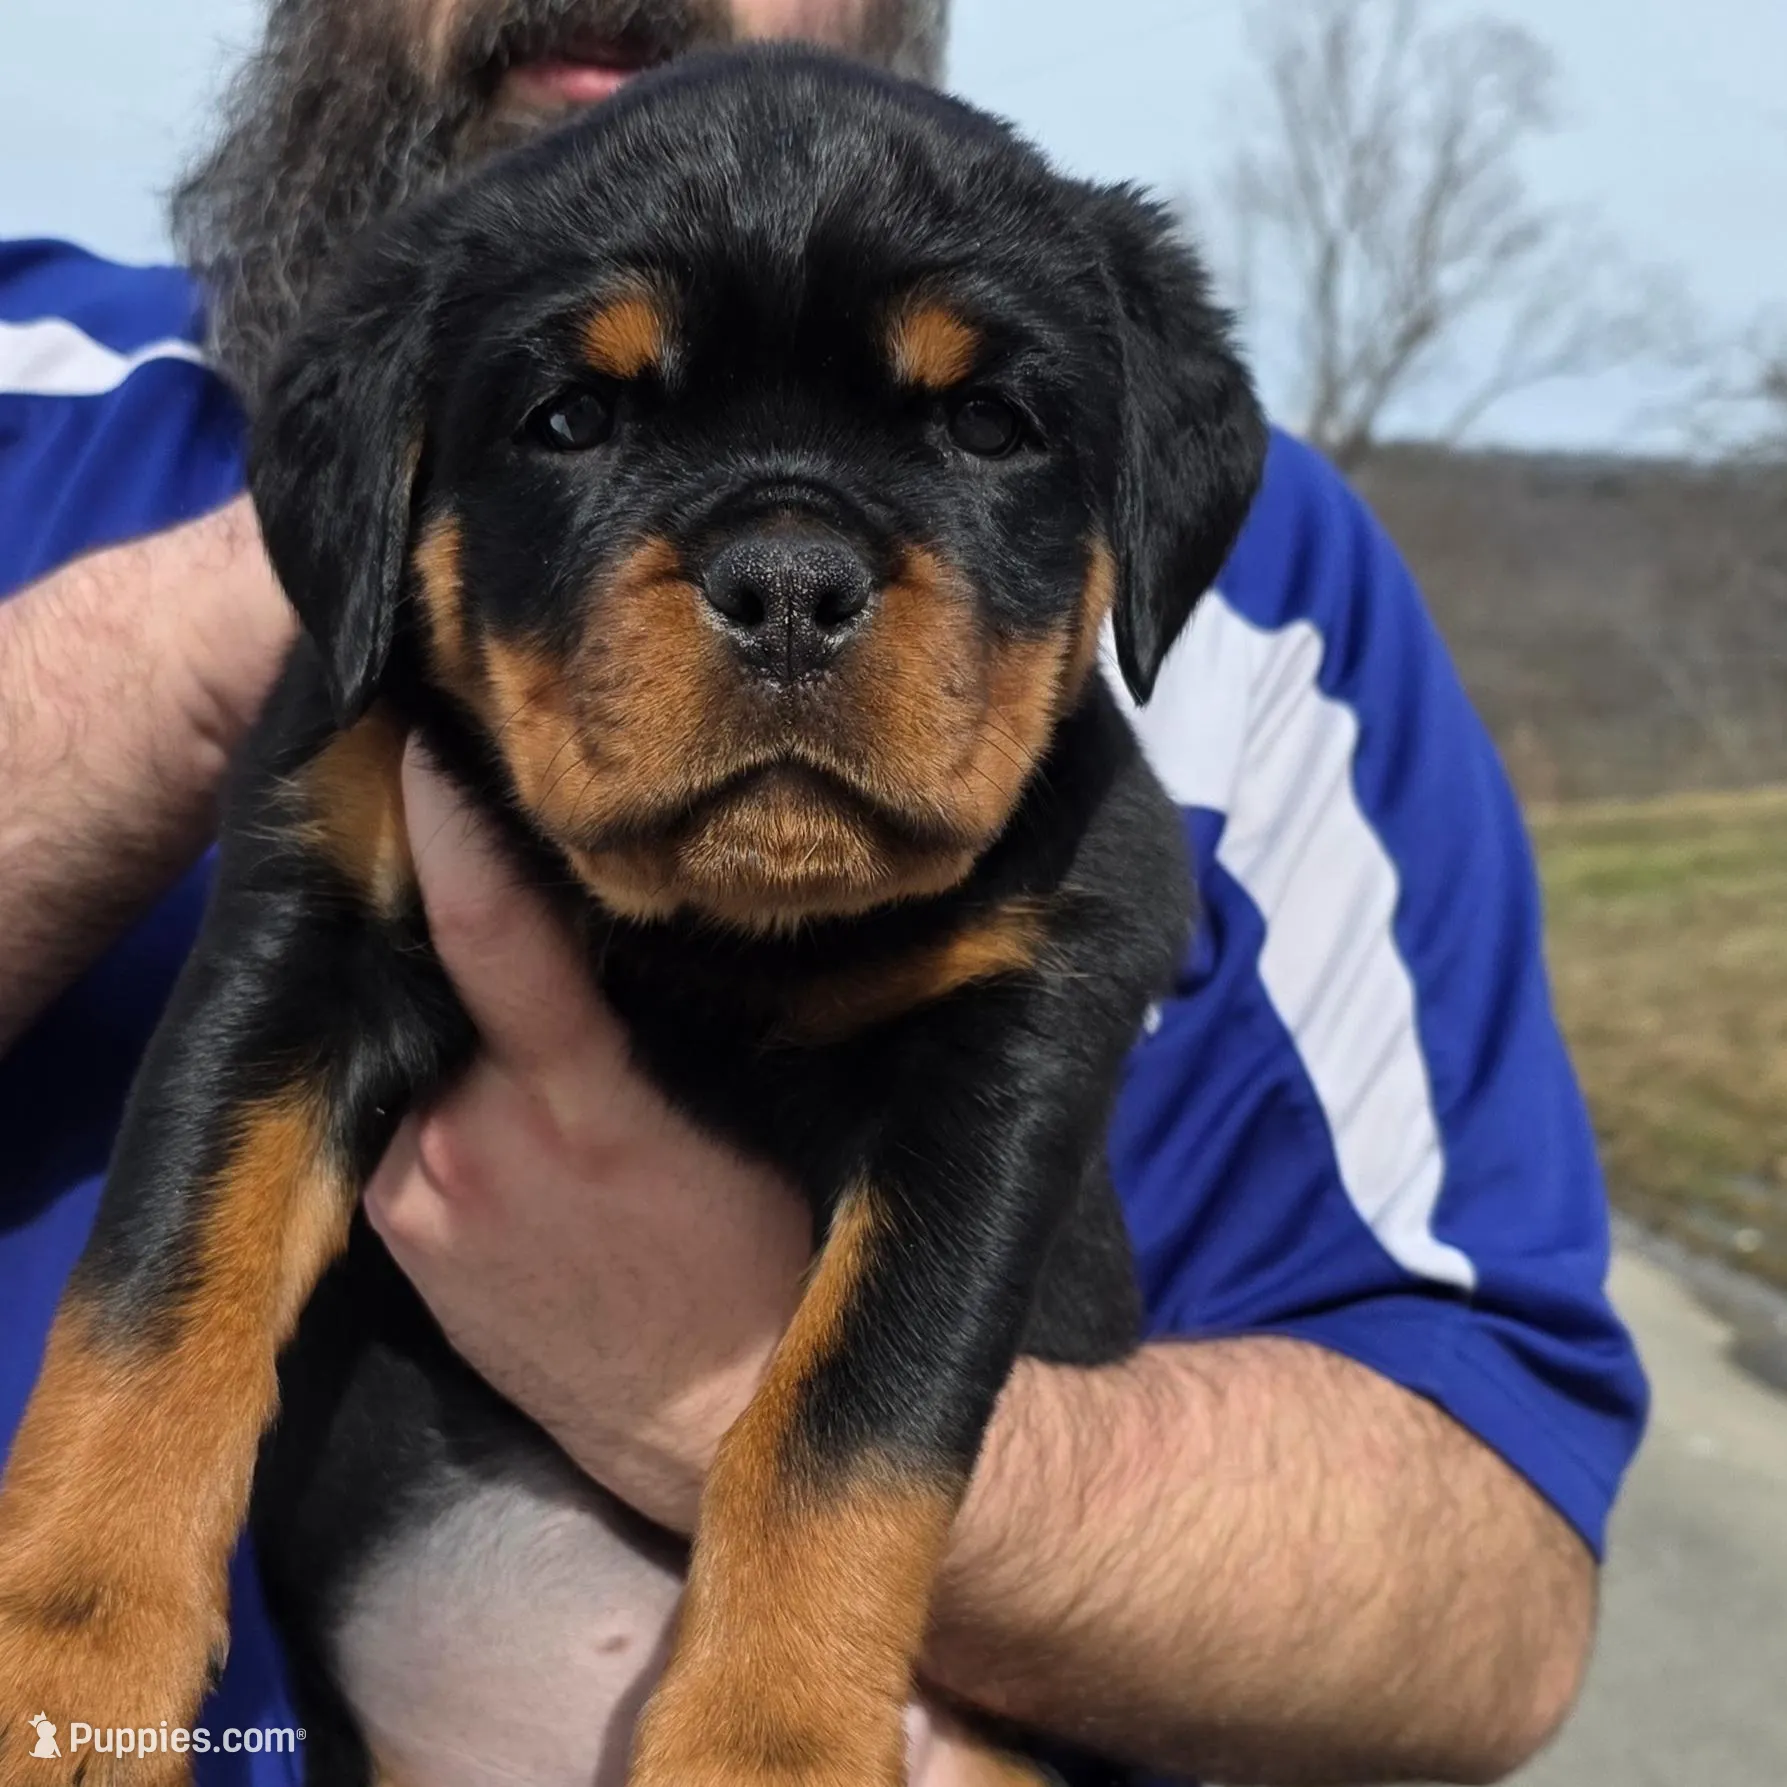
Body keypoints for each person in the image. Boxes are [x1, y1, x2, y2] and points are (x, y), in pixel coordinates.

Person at [0, 3, 1647, 1784]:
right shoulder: (82, 407)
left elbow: (1504, 1594)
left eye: (987, 428)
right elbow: (272, 1048)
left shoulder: (1290, 640)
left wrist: (715, 1439)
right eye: (574, 416)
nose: (786, 579)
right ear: (393, 493)